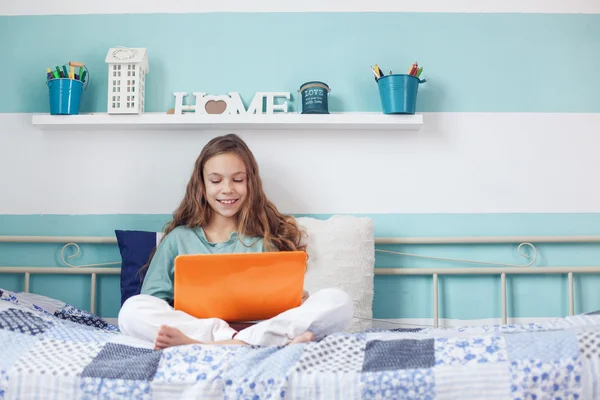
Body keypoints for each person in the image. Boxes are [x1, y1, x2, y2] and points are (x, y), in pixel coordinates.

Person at [118, 133, 354, 349]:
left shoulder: (265, 240)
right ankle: (235, 341)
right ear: (201, 185)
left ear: (250, 183)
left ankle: (235, 342)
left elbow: (282, 306)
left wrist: (298, 300)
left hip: (258, 327)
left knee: (338, 300)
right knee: (131, 310)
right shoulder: (178, 239)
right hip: (198, 329)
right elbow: (152, 303)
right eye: (216, 180)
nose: (227, 189)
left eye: (238, 180)